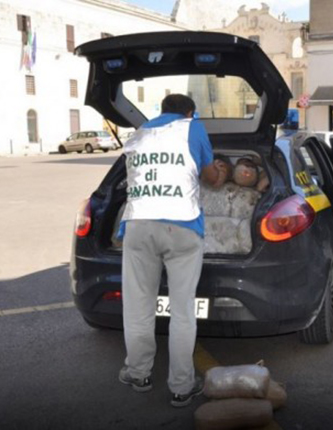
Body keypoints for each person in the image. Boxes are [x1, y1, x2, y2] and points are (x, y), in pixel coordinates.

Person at [116, 94, 226, 407]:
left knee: (138, 307)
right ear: (189, 112)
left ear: (161, 111)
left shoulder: (137, 135)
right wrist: (217, 169)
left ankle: (138, 373)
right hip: (182, 226)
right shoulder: (192, 128)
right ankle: (181, 386)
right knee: (181, 310)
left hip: (137, 226)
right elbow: (211, 179)